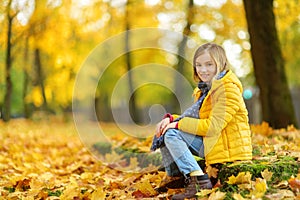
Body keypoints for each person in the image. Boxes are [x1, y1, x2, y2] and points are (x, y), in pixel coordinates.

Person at [151, 42, 252, 200]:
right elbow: (197, 119)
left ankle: (199, 180)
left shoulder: (228, 89)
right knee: (166, 130)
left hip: (226, 146)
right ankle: (176, 176)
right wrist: (171, 120)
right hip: (213, 141)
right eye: (198, 65)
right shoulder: (205, 89)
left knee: (172, 134)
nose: (203, 70)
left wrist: (177, 124)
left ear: (220, 64)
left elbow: (212, 126)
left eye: (209, 64)